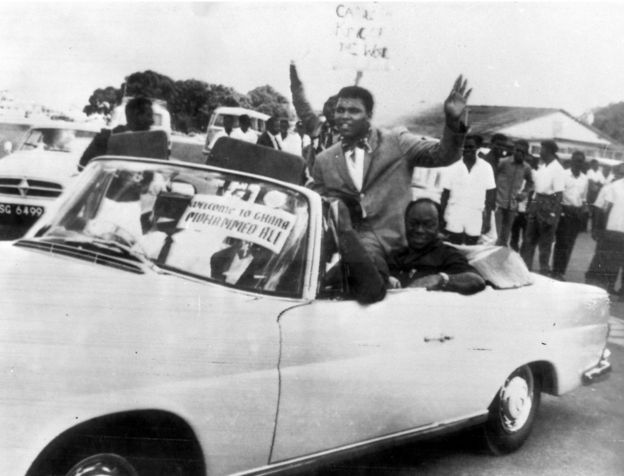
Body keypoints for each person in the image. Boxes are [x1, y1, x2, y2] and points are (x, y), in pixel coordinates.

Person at [310, 77, 471, 279]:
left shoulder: (396, 141)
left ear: (369, 115)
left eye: (354, 111)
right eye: (340, 110)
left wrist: (453, 121)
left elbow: (444, 155)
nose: (345, 116)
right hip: (348, 250)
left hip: (398, 248)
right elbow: (316, 205)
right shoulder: (324, 160)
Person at [388, 199, 486, 294]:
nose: (419, 230)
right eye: (413, 224)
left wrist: (440, 279)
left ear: (439, 226)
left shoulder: (446, 255)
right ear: (405, 223)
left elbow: (476, 280)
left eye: (428, 225)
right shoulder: (397, 255)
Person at [440, 135, 496, 245]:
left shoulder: (486, 168)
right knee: (453, 247)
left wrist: (487, 220)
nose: (468, 150)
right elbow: (445, 194)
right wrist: (441, 217)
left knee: (471, 248)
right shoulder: (453, 166)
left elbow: (490, 195)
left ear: (478, 148)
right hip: (454, 214)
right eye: (465, 147)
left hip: (475, 215)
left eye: (471, 147)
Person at [520, 139, 565, 274]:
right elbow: (536, 190)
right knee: (528, 240)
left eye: (542, 149)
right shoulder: (543, 167)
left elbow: (559, 194)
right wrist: (531, 206)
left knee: (545, 244)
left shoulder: (557, 169)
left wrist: (553, 215)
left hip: (549, 206)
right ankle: (525, 270)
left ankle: (544, 272)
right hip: (537, 204)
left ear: (549, 151)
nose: (540, 152)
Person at [78, 96, 154, 171]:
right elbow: (83, 166)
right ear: (137, 116)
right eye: (149, 116)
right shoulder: (105, 138)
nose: (152, 121)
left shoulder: (153, 142)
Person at [585, 162, 624, 298]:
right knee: (607, 260)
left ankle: (614, 289)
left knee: (616, 262)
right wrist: (599, 229)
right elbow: (604, 209)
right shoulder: (615, 187)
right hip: (613, 231)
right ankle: (601, 288)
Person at [551, 151, 589, 280]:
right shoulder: (563, 175)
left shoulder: (585, 179)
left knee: (570, 243)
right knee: (561, 242)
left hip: (577, 214)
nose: (579, 163)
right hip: (564, 211)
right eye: (577, 160)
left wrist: (584, 210)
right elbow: (558, 195)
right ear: (572, 161)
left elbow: (583, 198)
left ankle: (561, 272)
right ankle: (555, 271)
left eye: (581, 161)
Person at [494, 139, 534, 246]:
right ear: (513, 150)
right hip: (498, 204)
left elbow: (530, 182)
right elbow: (492, 177)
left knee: (505, 237)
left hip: (512, 206)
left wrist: (524, 193)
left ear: (526, 153)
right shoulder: (503, 162)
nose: (519, 153)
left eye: (522, 152)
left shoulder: (526, 168)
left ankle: (500, 260)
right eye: (517, 150)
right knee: (495, 236)